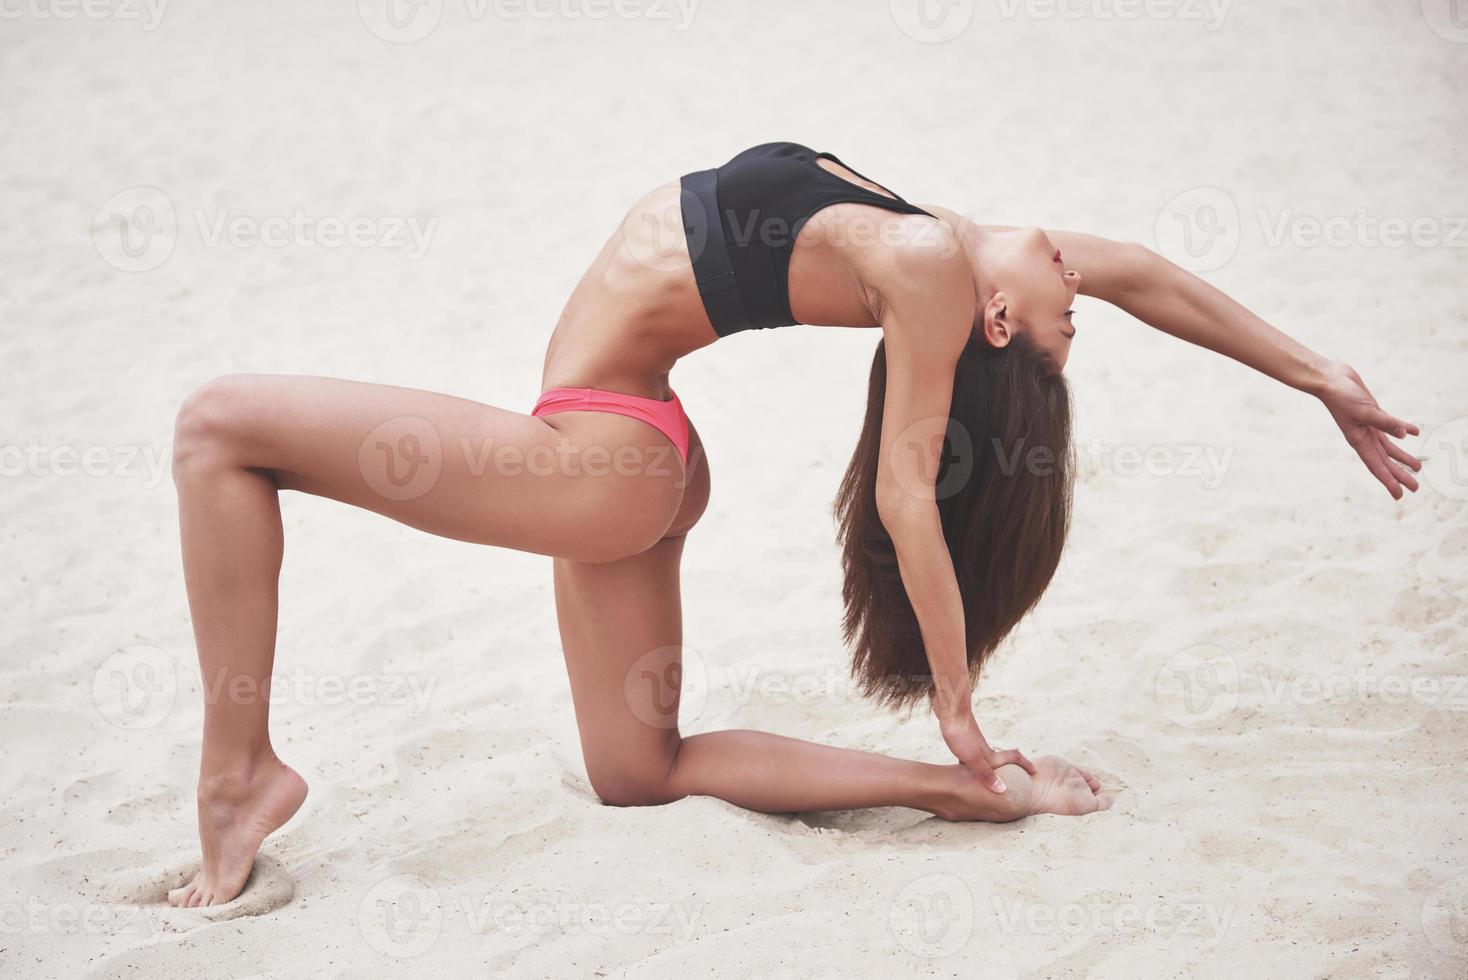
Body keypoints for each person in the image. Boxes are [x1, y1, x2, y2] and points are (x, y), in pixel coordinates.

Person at [164, 141, 1420, 908]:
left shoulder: (936, 265)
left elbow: (903, 494)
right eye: (1068, 310)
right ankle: (945, 797)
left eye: (1062, 319)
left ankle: (239, 776)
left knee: (220, 426)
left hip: (600, 455)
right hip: (627, 447)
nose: (1077, 291)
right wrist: (1321, 379)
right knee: (636, 772)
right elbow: (1147, 267)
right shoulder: (959, 244)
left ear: (993, 320)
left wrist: (958, 697)